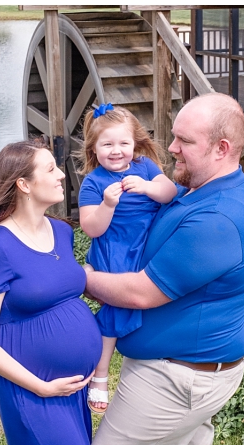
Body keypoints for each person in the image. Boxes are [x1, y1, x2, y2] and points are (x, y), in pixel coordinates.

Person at [84, 92, 244, 445]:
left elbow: (140, 294)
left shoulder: (218, 219)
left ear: (221, 148)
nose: (172, 147)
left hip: (177, 380)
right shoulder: (202, 188)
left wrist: (81, 278)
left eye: (185, 141)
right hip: (181, 370)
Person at [0, 140, 102, 445]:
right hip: (33, 390)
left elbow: (56, 282)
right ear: (24, 184)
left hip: (71, 389)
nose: (61, 175)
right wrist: (41, 387)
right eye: (50, 169)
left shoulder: (61, 231)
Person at [76, 103, 178, 413]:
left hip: (145, 244)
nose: (116, 151)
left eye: (123, 143)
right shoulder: (93, 183)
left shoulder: (146, 166)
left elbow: (170, 192)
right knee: (120, 301)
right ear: (94, 148)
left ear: (135, 143)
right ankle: (101, 374)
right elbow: (91, 228)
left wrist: (148, 187)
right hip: (115, 247)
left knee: (155, 292)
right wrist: (107, 205)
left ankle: (122, 363)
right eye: (107, 144)